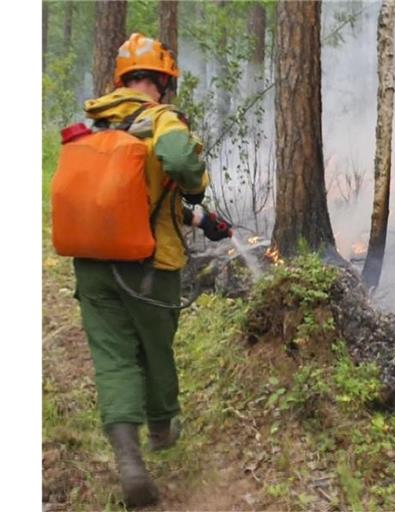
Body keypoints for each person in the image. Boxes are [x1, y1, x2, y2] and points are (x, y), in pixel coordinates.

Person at [71, 33, 228, 508]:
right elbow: (179, 162)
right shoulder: (161, 119)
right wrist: (195, 186)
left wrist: (200, 220)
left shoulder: (94, 122)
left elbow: (129, 198)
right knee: (155, 349)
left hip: (92, 266)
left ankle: (128, 460)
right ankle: (160, 428)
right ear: (162, 81)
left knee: (113, 359)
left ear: (123, 78)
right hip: (149, 265)